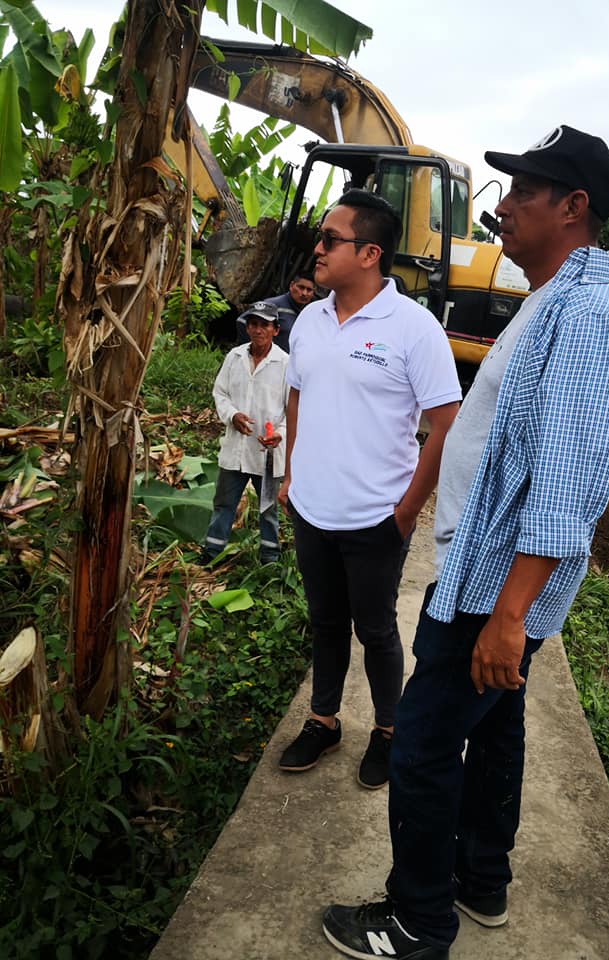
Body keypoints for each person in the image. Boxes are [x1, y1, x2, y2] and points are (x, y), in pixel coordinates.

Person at [321, 125, 609, 959]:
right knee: (496, 725)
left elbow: (567, 482)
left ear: (573, 208)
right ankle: (480, 881)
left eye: (523, 192)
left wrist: (510, 615)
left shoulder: (587, 317)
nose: (502, 207)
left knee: (424, 743)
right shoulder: (551, 299)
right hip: (487, 570)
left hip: (493, 585)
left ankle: (417, 922)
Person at [277, 189, 461, 790]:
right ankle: (324, 720)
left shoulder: (414, 329)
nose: (318, 248)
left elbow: (446, 424)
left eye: (330, 239)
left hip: (375, 519)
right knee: (325, 622)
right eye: (320, 237)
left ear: (369, 253)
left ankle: (388, 730)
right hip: (312, 510)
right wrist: (291, 473)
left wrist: (406, 513)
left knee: (376, 629)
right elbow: (297, 396)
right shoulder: (310, 319)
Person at [201, 301, 288, 566]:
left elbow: (293, 409)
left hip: (267, 450)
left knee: (268, 509)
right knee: (224, 503)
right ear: (247, 327)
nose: (258, 330)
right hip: (236, 447)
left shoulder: (285, 363)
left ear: (275, 330)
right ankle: (211, 554)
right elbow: (220, 393)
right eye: (253, 324)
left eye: (264, 325)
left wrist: (280, 433)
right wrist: (232, 415)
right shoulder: (235, 357)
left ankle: (270, 560)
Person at [236, 273, 316, 353]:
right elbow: (241, 321)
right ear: (291, 285)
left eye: (309, 290)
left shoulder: (310, 312)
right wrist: (254, 350)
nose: (304, 293)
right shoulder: (273, 305)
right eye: (301, 287)